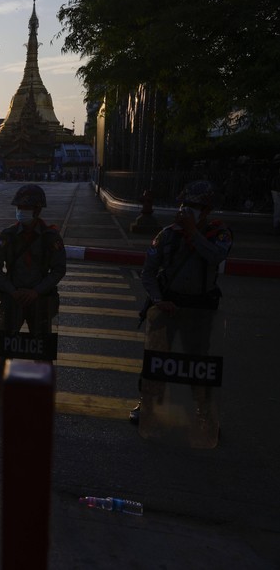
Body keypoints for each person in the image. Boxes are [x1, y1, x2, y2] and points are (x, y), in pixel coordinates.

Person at [130, 180, 233, 423]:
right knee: (156, 358)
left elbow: (215, 256)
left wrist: (192, 232)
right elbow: (148, 272)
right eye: (184, 204)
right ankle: (147, 403)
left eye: (194, 206)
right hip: (168, 305)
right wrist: (158, 300)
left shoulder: (219, 234)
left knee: (199, 363)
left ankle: (202, 410)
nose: (187, 209)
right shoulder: (167, 235)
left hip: (200, 308)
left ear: (207, 210)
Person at [0, 184, 66, 403]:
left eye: (26, 207)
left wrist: (36, 292)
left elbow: (59, 269)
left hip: (39, 301)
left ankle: (43, 390)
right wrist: (12, 291)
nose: (21, 210)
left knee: (42, 347)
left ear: (38, 210)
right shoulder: (8, 235)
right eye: (19, 206)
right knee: (4, 344)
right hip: (13, 300)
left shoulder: (51, 238)